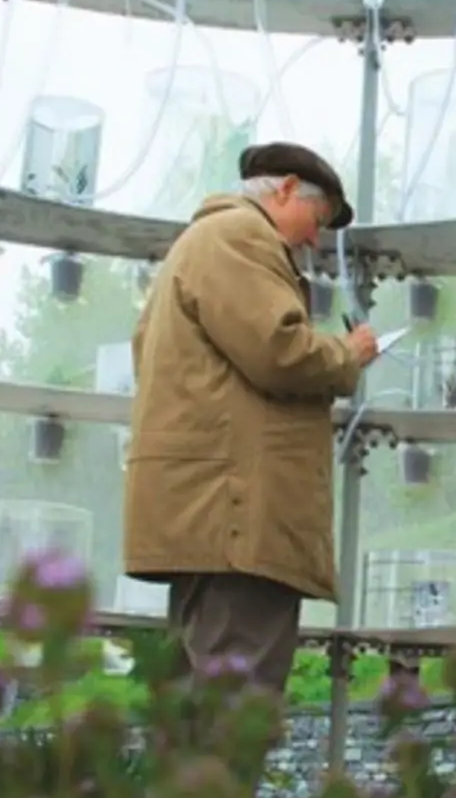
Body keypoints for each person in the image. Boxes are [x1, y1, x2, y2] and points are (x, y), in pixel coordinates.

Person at [122, 142, 380, 694]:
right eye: (317, 220)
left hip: (208, 517)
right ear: (285, 189)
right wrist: (347, 354)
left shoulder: (198, 245)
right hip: (238, 519)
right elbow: (278, 350)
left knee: (201, 697)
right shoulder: (239, 236)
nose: (315, 240)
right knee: (236, 704)